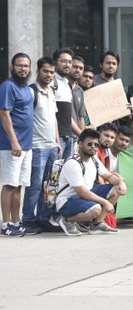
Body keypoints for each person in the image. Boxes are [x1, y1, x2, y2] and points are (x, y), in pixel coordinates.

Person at [56, 129, 126, 236]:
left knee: (117, 189)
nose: (93, 147)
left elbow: (108, 176)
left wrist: (121, 183)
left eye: (96, 145)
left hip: (83, 197)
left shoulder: (94, 160)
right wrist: (105, 202)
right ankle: (67, 220)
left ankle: (96, 224)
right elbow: (81, 192)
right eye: (89, 144)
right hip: (67, 202)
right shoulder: (73, 163)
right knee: (96, 209)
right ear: (80, 144)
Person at [22, 57, 63, 234]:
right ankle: (28, 220)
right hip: (37, 147)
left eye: (52, 72)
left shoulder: (51, 92)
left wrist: (58, 141)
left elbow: (53, 119)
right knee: (35, 185)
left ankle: (43, 218)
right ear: (38, 71)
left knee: (49, 186)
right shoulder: (31, 92)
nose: (49, 75)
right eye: (45, 71)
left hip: (52, 147)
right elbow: (24, 119)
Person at [0, 53, 34, 237]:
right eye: (19, 65)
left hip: (26, 146)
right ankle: (5, 224)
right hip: (11, 146)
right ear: (12, 66)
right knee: (9, 184)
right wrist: (14, 141)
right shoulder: (7, 86)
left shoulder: (27, 88)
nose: (23, 69)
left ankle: (15, 221)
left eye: (26, 66)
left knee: (19, 185)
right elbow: (4, 114)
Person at [53, 49, 79, 159]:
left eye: (69, 62)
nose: (67, 65)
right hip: (56, 138)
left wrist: (80, 134)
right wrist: (56, 139)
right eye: (63, 61)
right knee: (53, 173)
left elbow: (68, 117)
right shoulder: (51, 81)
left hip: (69, 137)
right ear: (55, 62)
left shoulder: (67, 83)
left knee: (65, 173)